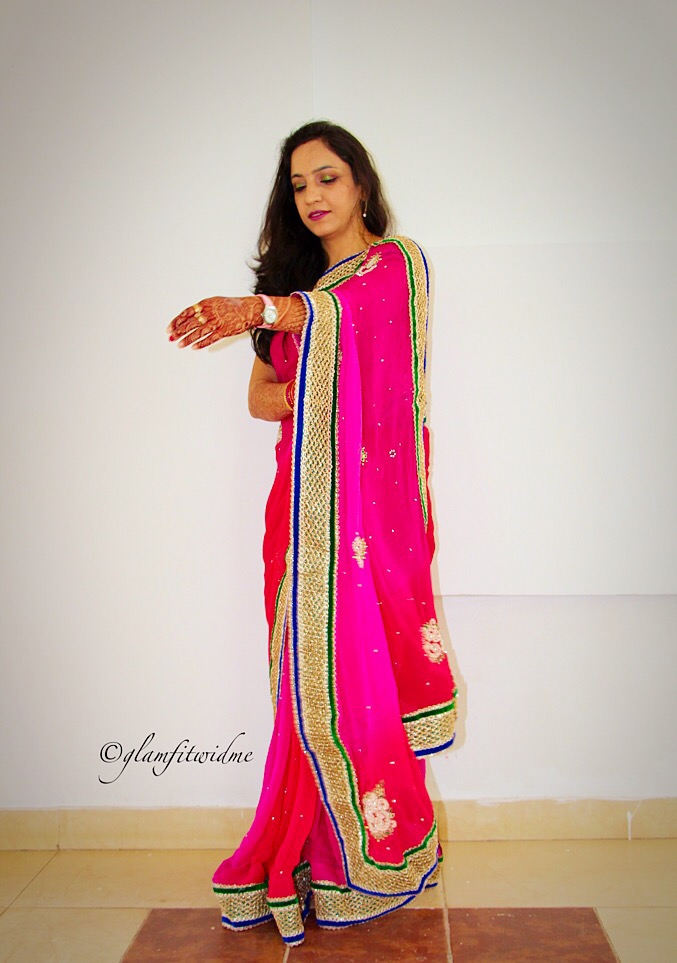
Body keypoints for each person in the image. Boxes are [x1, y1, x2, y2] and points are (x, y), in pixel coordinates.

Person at [167, 121, 458, 946]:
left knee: (359, 678)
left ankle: (375, 855)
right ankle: (310, 855)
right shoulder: (294, 288)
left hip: (365, 520)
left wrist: (270, 314)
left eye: (327, 178)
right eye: (298, 185)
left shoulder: (394, 267)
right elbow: (261, 397)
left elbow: (350, 319)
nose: (313, 196)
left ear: (361, 184)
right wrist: (322, 379)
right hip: (298, 515)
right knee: (307, 681)